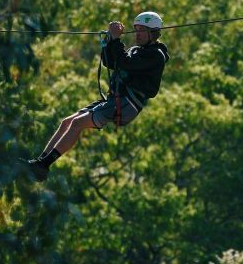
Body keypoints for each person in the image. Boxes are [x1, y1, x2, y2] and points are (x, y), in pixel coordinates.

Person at [26, 11, 170, 181]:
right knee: (67, 122)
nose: (137, 34)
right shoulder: (136, 50)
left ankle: (43, 166)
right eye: (136, 29)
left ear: (153, 33)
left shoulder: (156, 56)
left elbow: (125, 63)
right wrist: (109, 42)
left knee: (78, 123)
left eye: (142, 30)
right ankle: (40, 163)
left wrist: (116, 39)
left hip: (127, 103)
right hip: (116, 99)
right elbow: (111, 62)